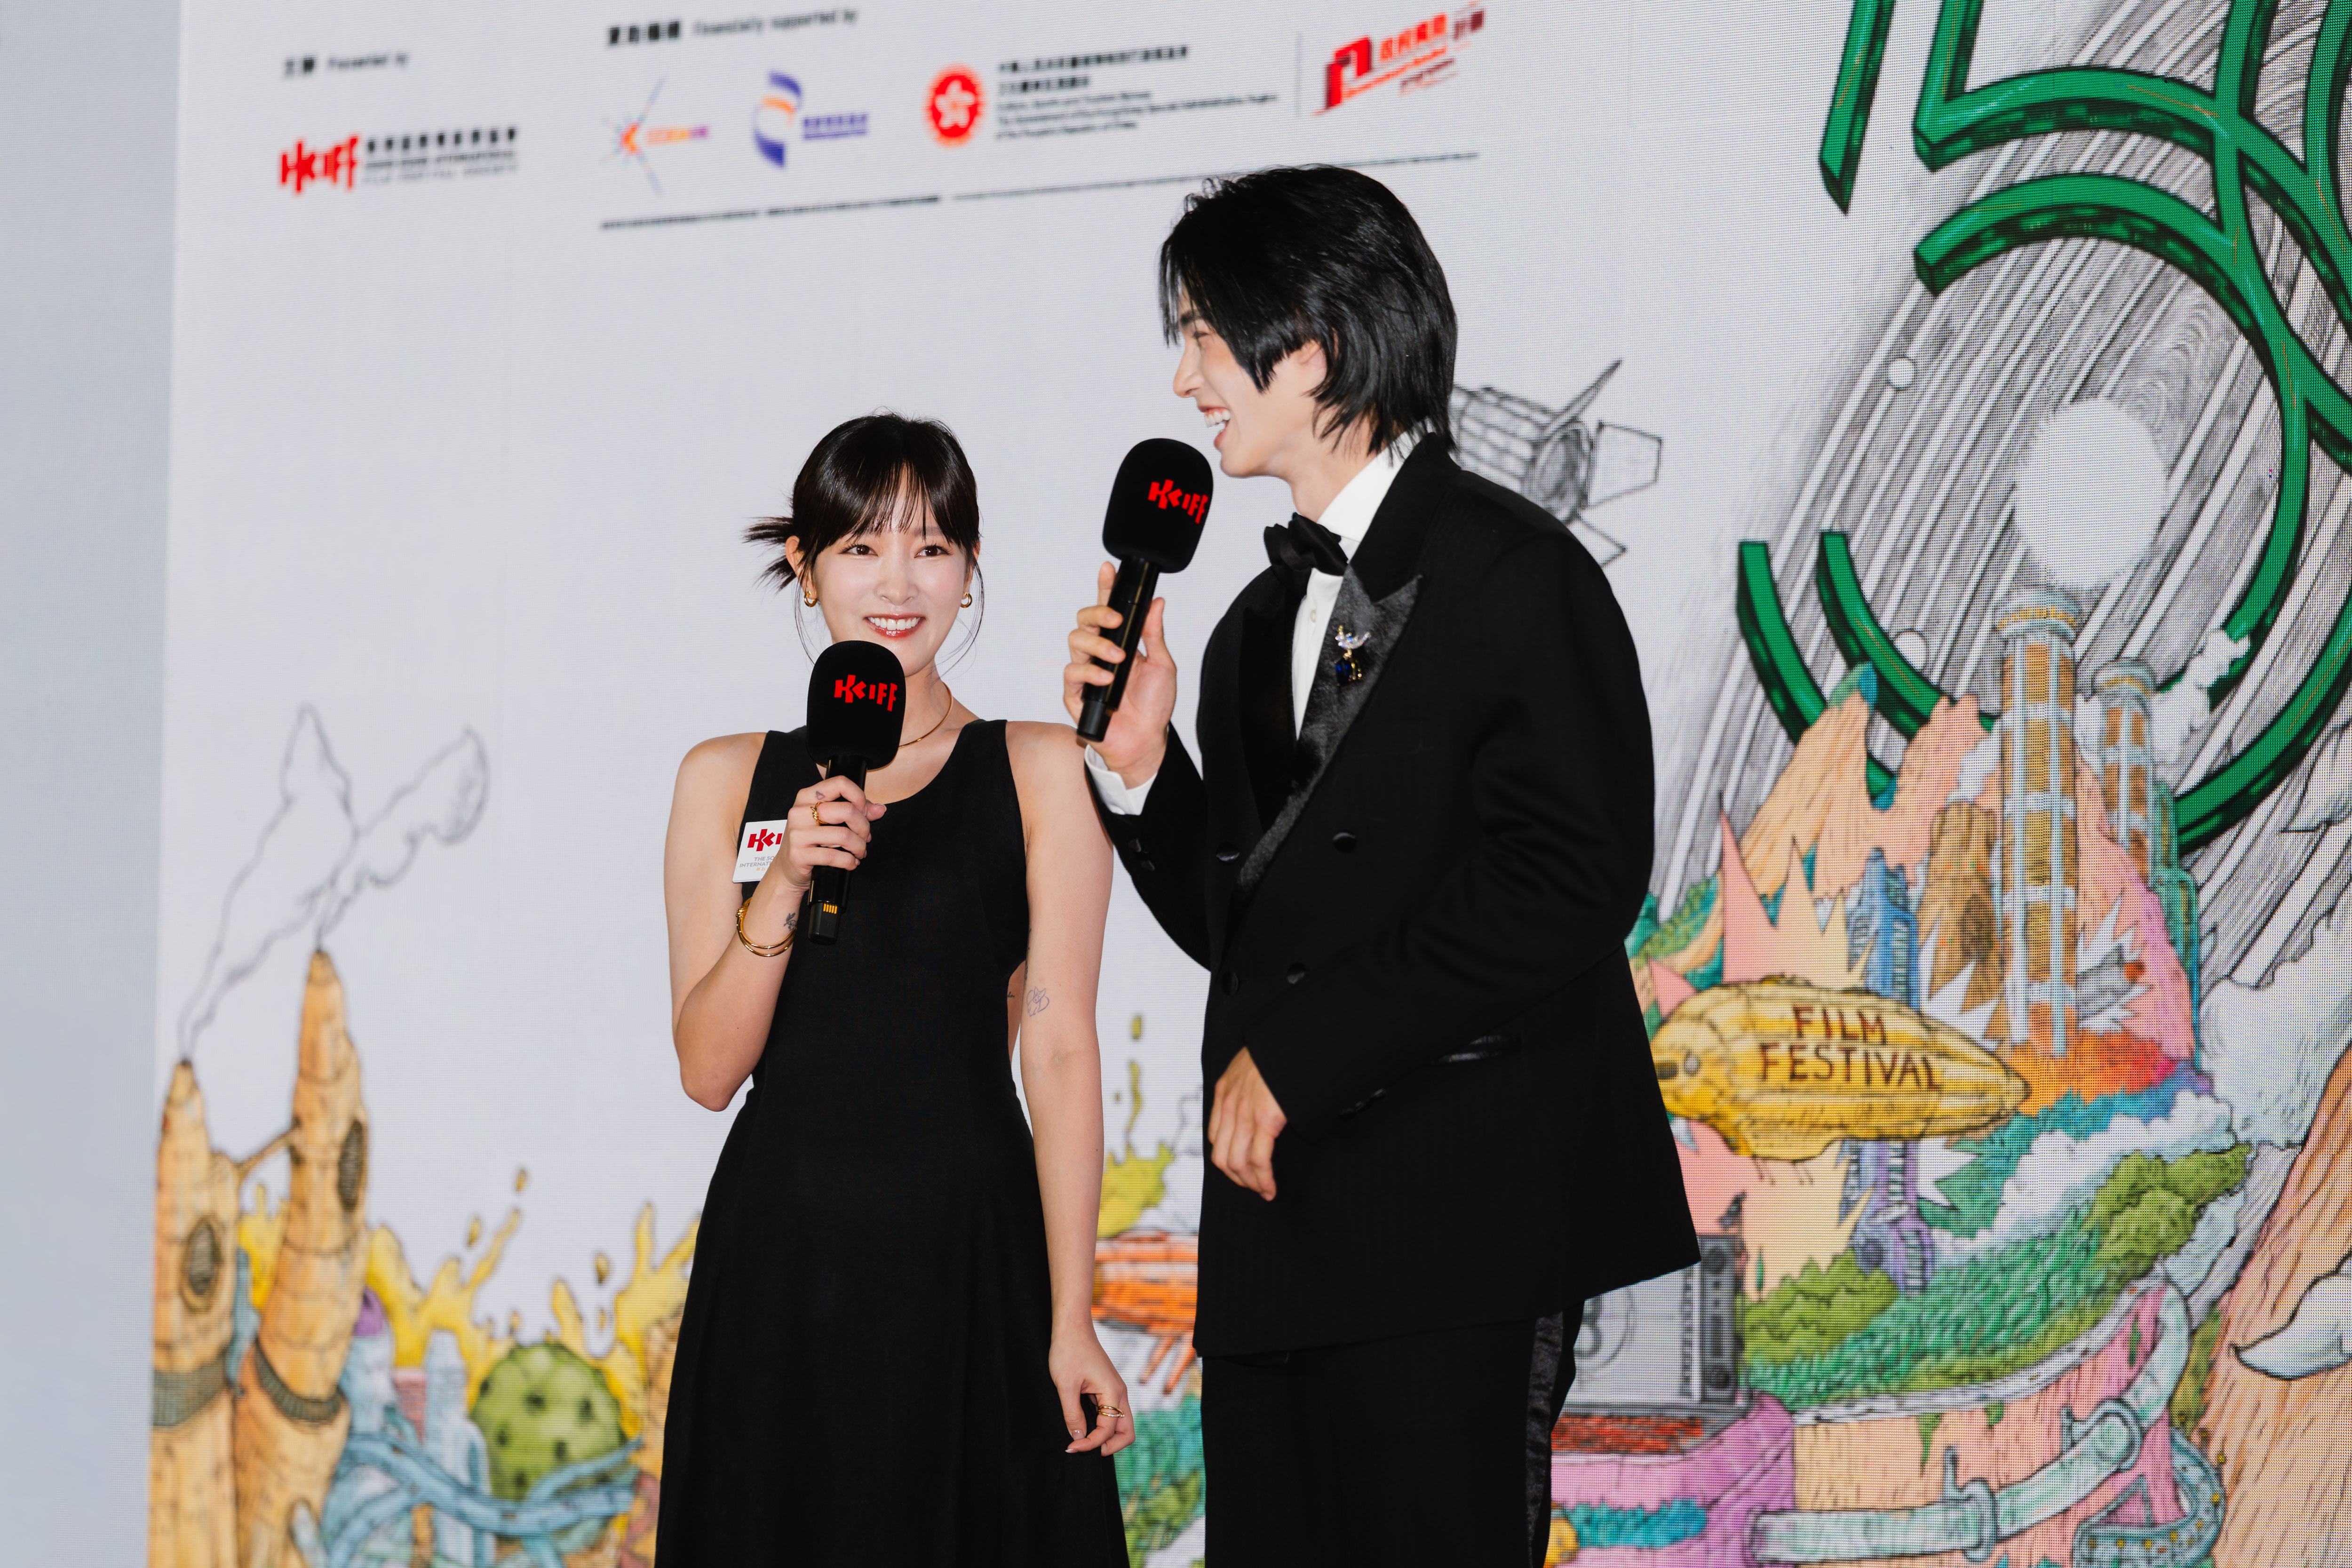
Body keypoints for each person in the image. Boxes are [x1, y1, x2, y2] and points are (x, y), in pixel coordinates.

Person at [1062, 167, 1697, 1565]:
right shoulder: (1246, 625)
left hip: (1453, 1221)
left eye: (1203, 337)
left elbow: (1570, 875)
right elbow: (1250, 923)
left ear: (1312, 347)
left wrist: (1304, 1054)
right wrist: (1141, 771)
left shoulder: (1514, 570)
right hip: (1279, 1237)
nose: (1184, 379)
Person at [659, 413, 1132, 1566]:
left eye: (930, 547)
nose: (897, 582)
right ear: (805, 565)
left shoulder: (1040, 767)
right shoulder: (725, 777)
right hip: (784, 1255)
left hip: (968, 1250)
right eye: (861, 547)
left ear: (969, 569)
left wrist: (1072, 1313)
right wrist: (782, 882)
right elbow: (709, 1069)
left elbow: (1059, 1046)